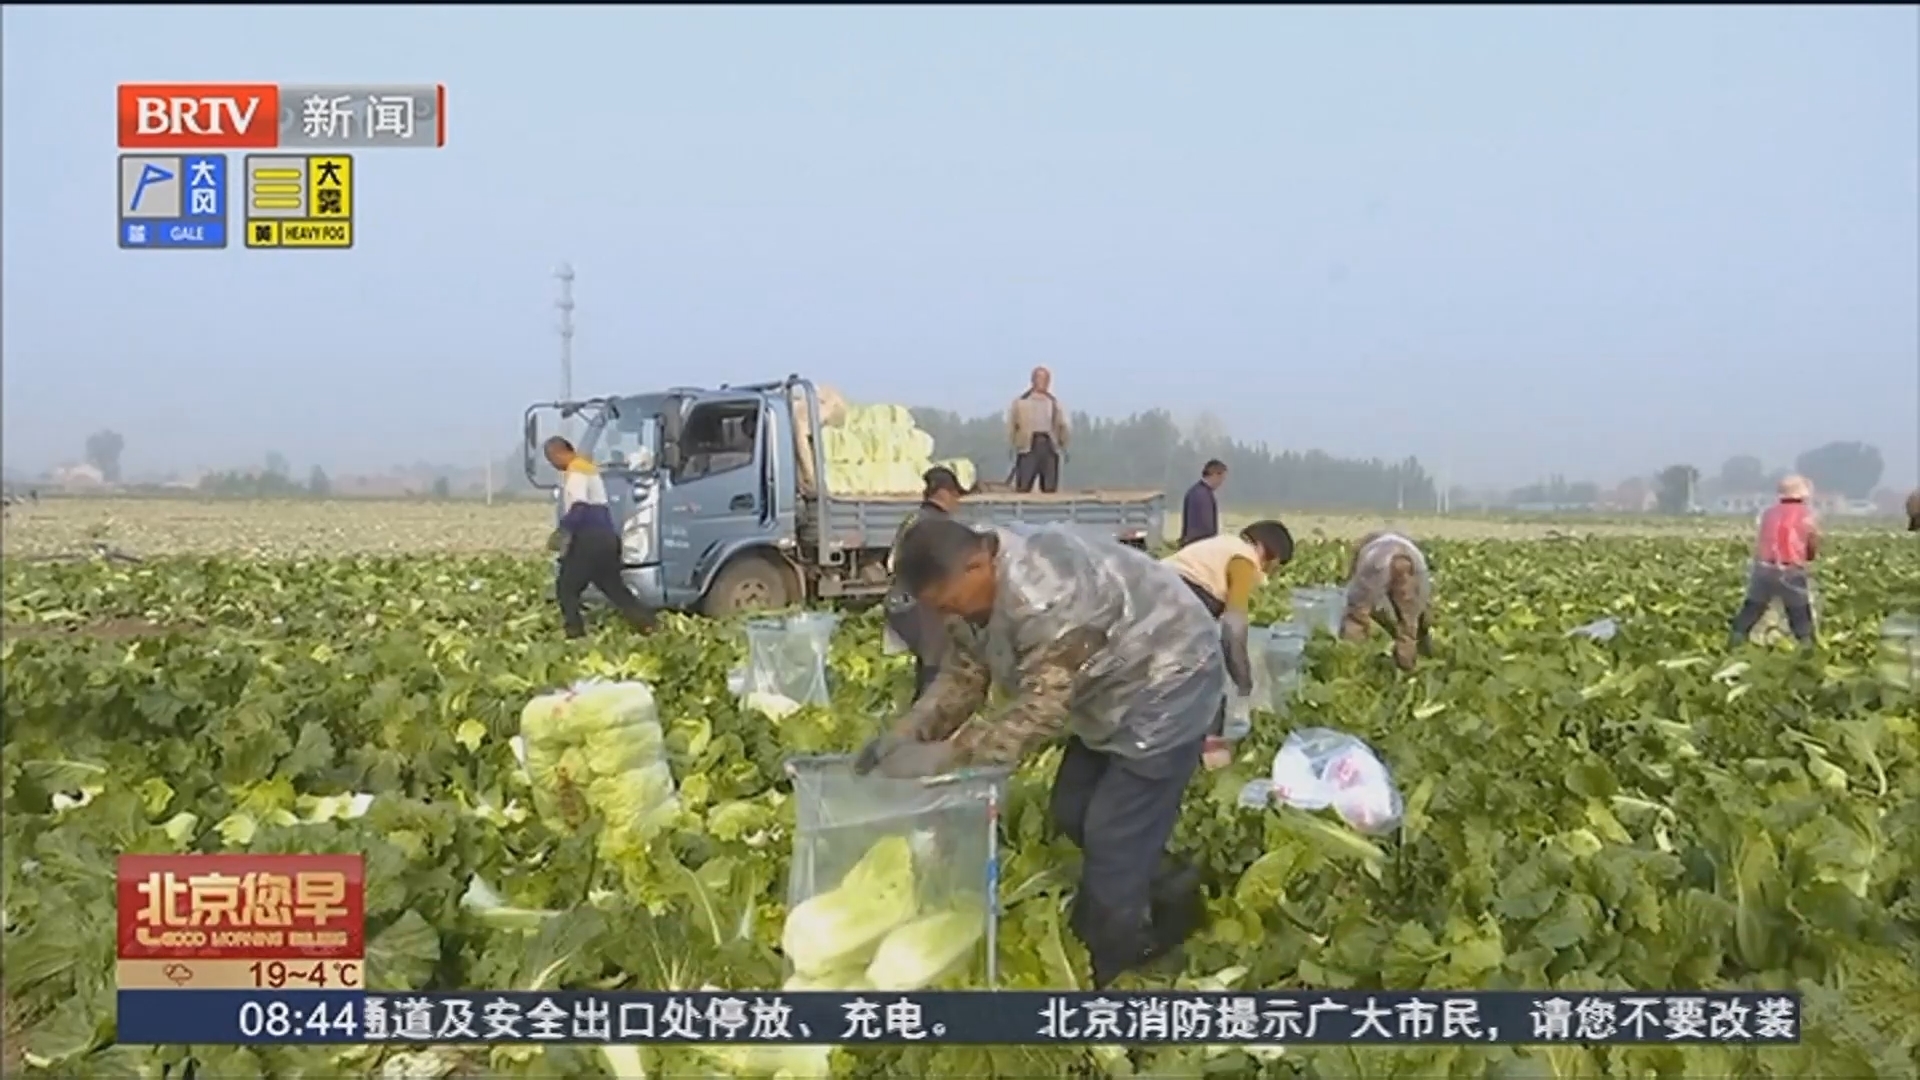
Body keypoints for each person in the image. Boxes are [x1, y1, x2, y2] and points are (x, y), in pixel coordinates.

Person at [856, 519, 1223, 988]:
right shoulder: (974, 587)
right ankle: (1164, 888)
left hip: (1170, 679)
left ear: (976, 564)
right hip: (1110, 690)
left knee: (1113, 836)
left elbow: (1040, 711)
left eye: (948, 603)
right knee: (1072, 812)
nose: (949, 614)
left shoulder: (1047, 596)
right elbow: (966, 673)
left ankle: (1109, 967)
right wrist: (908, 732)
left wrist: (947, 757)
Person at [1164, 519, 1294, 768]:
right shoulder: (1243, 560)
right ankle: (1211, 759)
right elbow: (1234, 628)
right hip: (1173, 604)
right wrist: (1243, 679)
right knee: (1208, 680)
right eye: (1276, 566)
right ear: (1269, 552)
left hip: (1155, 598)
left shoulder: (1223, 547)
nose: (1270, 573)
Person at [543, 436, 659, 639]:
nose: (553, 464)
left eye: (551, 458)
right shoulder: (588, 468)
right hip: (607, 537)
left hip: (590, 539)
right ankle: (649, 624)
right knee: (614, 588)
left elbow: (579, 506)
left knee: (566, 588)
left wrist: (563, 531)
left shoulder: (577, 470)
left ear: (559, 452)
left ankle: (575, 633)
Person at [885, 466, 967, 699]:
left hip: (900, 601)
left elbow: (891, 563)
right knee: (937, 661)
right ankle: (925, 724)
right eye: (955, 495)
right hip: (917, 604)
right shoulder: (938, 525)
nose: (957, 502)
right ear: (942, 493)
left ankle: (922, 716)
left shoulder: (914, 519)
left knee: (931, 662)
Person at [1729, 474, 1821, 647]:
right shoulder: (1806, 514)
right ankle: (1808, 652)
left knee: (1751, 610)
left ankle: (1734, 644)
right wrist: (1809, 557)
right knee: (1800, 616)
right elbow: (1812, 541)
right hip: (1791, 569)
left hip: (1764, 568)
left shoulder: (1769, 513)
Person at [1341, 531, 1434, 672]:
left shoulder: (1369, 551)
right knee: (1407, 626)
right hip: (1412, 564)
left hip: (1382, 562)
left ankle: (1353, 665)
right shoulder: (1407, 552)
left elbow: (1356, 596)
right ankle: (1406, 667)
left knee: (1356, 620)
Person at [1008, 366, 1070, 494]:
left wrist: (1063, 444)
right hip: (1028, 447)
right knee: (1023, 487)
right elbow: (1012, 425)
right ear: (1033, 380)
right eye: (1040, 378)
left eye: (1046, 379)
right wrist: (1015, 444)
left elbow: (1061, 425)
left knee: (1050, 488)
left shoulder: (1053, 402)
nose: (1044, 382)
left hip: (1049, 445)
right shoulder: (1021, 402)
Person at [1177, 461, 1228, 548]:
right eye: (1222, 479)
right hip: (1198, 546)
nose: (1221, 483)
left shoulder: (1198, 491)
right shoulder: (1201, 494)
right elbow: (1204, 526)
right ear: (1215, 474)